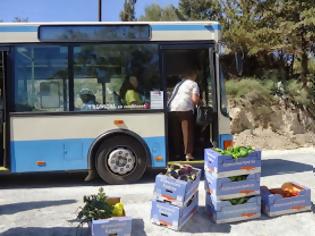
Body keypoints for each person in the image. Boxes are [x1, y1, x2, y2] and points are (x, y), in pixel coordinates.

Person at [168, 68, 200, 161]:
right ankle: (188, 154)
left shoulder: (178, 84)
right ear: (194, 75)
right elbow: (194, 100)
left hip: (172, 109)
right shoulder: (194, 84)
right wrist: (200, 101)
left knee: (176, 133)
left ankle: (177, 154)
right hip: (185, 110)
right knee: (187, 132)